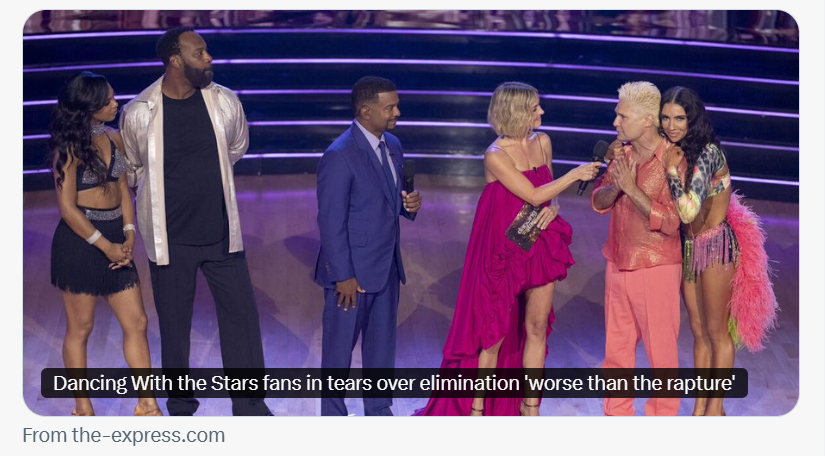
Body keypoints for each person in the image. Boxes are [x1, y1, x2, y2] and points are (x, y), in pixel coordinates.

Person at [415, 81, 600, 416]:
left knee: (537, 326)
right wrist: (574, 175)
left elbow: (547, 192)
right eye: (534, 107)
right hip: (505, 250)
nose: (542, 111)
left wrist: (555, 207)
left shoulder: (543, 141)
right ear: (516, 112)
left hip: (541, 243)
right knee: (494, 331)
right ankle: (477, 409)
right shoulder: (495, 155)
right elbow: (533, 194)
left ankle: (530, 408)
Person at [120, 27, 270, 416]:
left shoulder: (224, 101)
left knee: (242, 322)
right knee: (174, 330)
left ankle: (250, 405)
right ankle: (181, 405)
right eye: (199, 52)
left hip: (222, 235)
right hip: (170, 240)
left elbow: (236, 147)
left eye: (206, 52)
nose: (209, 58)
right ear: (175, 60)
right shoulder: (139, 112)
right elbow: (132, 168)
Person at [49, 71, 162, 416]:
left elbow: (123, 189)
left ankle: (147, 404)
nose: (116, 104)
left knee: (137, 322)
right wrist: (105, 246)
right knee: (81, 327)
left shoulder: (114, 138)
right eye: (108, 100)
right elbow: (67, 209)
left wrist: (128, 232)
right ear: (89, 107)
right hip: (80, 243)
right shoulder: (68, 149)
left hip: (116, 238)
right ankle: (83, 408)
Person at [660, 86, 778, 416]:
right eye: (666, 118)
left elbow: (688, 211)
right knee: (698, 331)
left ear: (692, 119)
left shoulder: (709, 153)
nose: (671, 125)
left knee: (716, 332)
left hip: (716, 248)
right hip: (689, 248)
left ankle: (715, 410)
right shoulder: (675, 150)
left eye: (679, 118)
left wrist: (671, 173)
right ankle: (700, 408)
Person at [314, 76, 422, 416]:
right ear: (365, 111)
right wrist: (342, 276)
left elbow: (388, 200)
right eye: (390, 107)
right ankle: (333, 415)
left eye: (396, 106)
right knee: (338, 351)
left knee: (381, 347)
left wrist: (409, 205)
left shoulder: (393, 145)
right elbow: (330, 222)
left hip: (386, 266)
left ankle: (378, 410)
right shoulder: (339, 155)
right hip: (352, 275)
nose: (397, 112)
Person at [591, 81, 687, 416]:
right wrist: (617, 187)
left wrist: (631, 189)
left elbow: (673, 221)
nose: (615, 122)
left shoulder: (674, 160)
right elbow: (599, 200)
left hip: (656, 266)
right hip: (617, 261)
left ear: (648, 119)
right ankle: (617, 415)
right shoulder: (624, 154)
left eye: (622, 116)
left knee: (661, 355)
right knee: (616, 350)